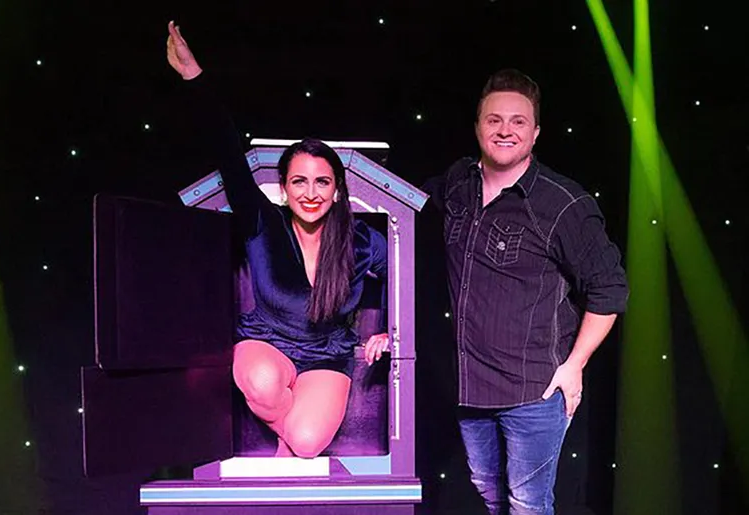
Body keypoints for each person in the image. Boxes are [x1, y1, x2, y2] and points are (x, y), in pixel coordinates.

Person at [166, 21, 390, 458]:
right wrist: (195, 78)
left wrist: (386, 332)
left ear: (337, 190)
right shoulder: (262, 223)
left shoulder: (361, 240)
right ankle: (283, 451)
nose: (311, 193)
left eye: (322, 182)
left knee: (307, 444)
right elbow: (228, 154)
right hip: (266, 347)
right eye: (299, 182)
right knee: (264, 383)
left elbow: (401, 274)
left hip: (326, 356)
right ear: (283, 189)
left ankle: (287, 450)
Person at [423, 69, 629, 514]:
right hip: (470, 387)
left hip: (533, 391)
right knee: (489, 492)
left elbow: (610, 290)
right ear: (477, 126)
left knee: (528, 504)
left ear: (535, 133)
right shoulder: (457, 184)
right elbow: (401, 207)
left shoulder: (563, 204)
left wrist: (574, 366)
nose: (505, 130)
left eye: (518, 121)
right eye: (494, 119)